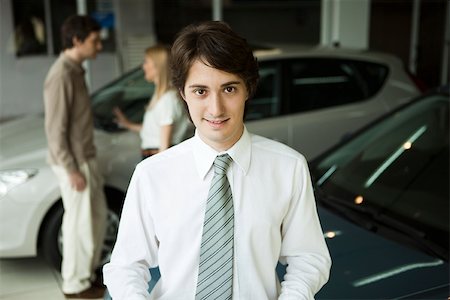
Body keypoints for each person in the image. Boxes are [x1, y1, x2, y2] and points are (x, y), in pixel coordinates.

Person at [103, 20, 331, 299]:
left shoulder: (288, 168)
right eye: (201, 91)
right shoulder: (152, 174)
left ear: (248, 89)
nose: (216, 108)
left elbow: (309, 258)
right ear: (182, 94)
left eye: (229, 89)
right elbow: (126, 266)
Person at [43, 15, 107, 299]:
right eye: (94, 41)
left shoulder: (75, 70)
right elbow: (55, 130)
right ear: (77, 41)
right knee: (79, 226)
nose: (100, 46)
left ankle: (86, 276)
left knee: (94, 222)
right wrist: (72, 169)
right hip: (74, 163)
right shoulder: (61, 74)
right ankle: (74, 286)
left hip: (85, 159)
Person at [113, 44, 193, 159]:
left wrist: (159, 168)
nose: (143, 66)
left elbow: (164, 144)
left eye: (146, 62)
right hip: (153, 155)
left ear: (157, 66)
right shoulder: (161, 96)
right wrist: (128, 125)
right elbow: (155, 131)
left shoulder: (167, 99)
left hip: (157, 155)